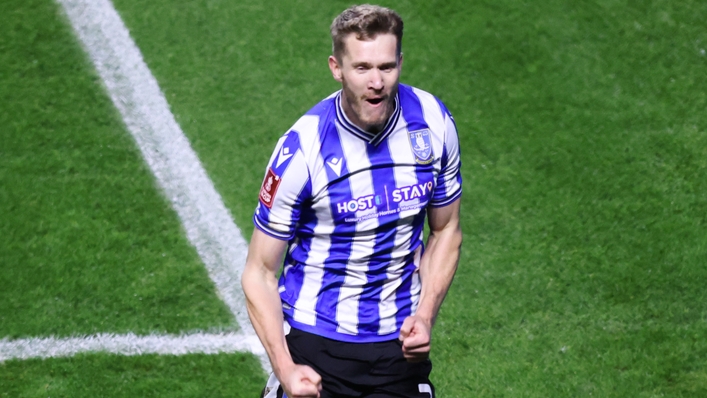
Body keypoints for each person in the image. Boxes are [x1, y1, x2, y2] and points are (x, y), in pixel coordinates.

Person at [241, 4, 462, 397]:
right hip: (316, 347)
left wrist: (425, 315)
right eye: (362, 68)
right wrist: (286, 368)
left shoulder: (433, 122)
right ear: (336, 67)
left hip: (397, 349)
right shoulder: (303, 149)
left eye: (387, 67)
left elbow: (446, 231)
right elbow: (258, 272)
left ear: (400, 62)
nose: (376, 81)